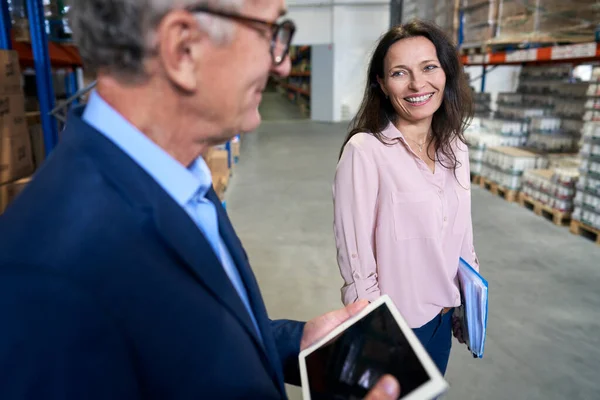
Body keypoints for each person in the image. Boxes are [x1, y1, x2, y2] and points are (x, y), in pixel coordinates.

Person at [0, 1, 400, 399]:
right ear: (183, 49)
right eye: (269, 33)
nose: (280, 64)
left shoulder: (178, 177)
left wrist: (296, 344)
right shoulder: (50, 274)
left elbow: (185, 343)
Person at [333, 20, 480, 376]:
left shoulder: (456, 148)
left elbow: (463, 236)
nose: (417, 84)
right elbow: (357, 261)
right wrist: (372, 331)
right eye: (400, 73)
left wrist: (469, 303)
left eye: (429, 67)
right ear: (382, 85)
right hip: (395, 327)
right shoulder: (366, 151)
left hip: (442, 321)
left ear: (446, 73)